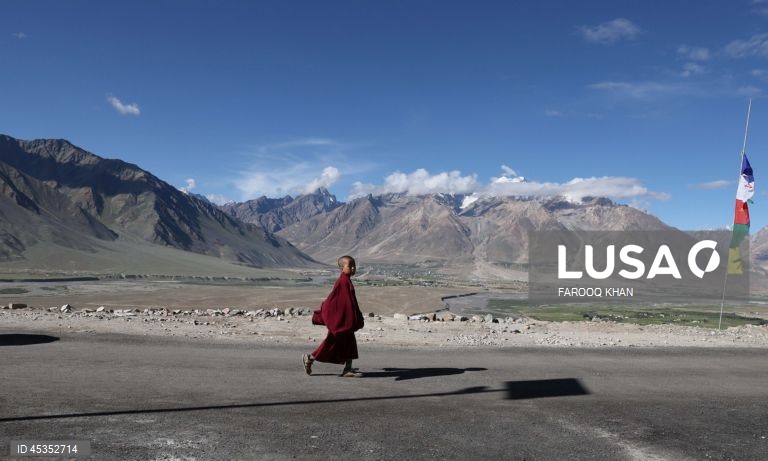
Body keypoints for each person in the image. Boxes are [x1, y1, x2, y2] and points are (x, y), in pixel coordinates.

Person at [303, 255, 365, 377]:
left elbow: (349, 302)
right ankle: (309, 358)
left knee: (350, 344)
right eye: (350, 266)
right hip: (340, 322)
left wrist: (355, 315)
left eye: (354, 266)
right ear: (342, 269)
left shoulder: (346, 280)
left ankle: (348, 369)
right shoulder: (342, 282)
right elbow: (335, 301)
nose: (353, 268)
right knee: (330, 344)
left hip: (344, 321)